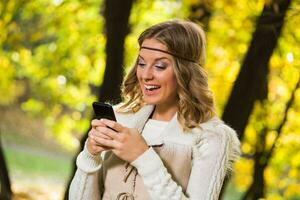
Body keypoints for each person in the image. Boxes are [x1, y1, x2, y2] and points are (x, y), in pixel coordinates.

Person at [69, 19, 240, 200]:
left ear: (185, 71)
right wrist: (90, 156)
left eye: (159, 66)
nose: (146, 75)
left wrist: (142, 157)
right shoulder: (120, 118)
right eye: (142, 64)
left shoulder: (210, 137)